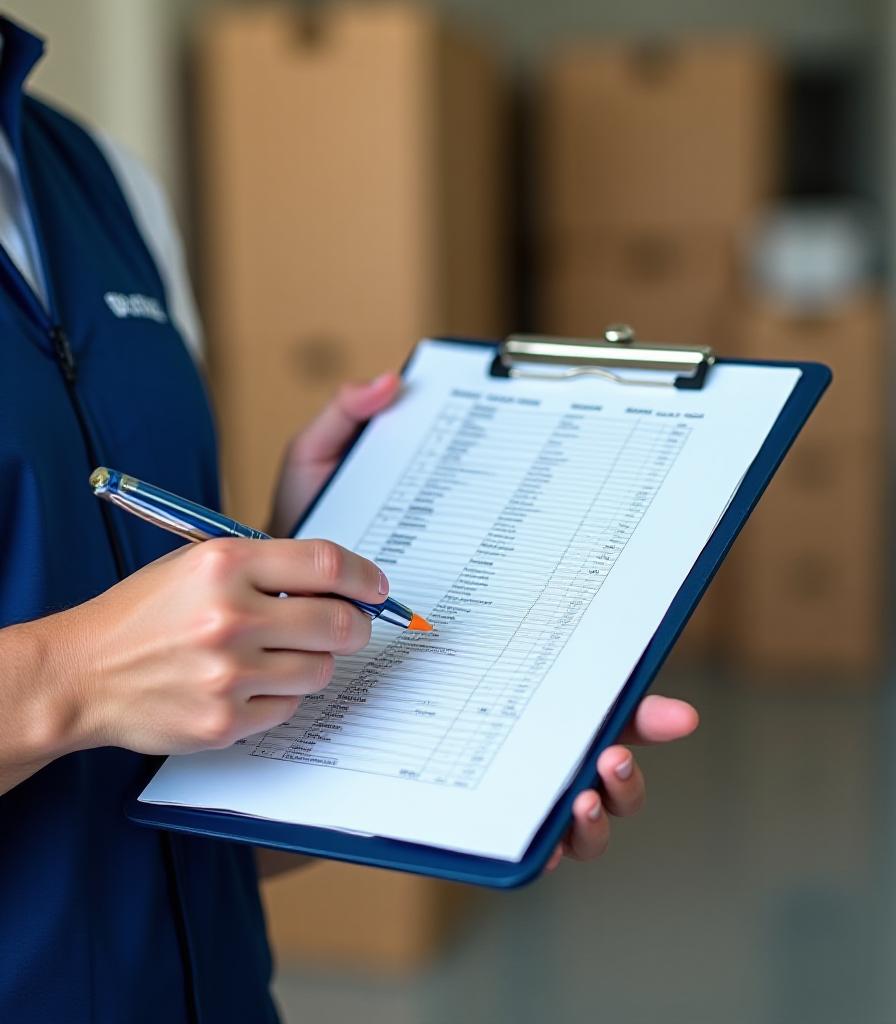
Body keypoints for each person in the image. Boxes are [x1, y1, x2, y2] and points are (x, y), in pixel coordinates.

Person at [0, 13, 699, 1024]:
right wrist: (70, 680)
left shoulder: (107, 181)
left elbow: (179, 818)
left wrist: (373, 700)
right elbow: (101, 680)